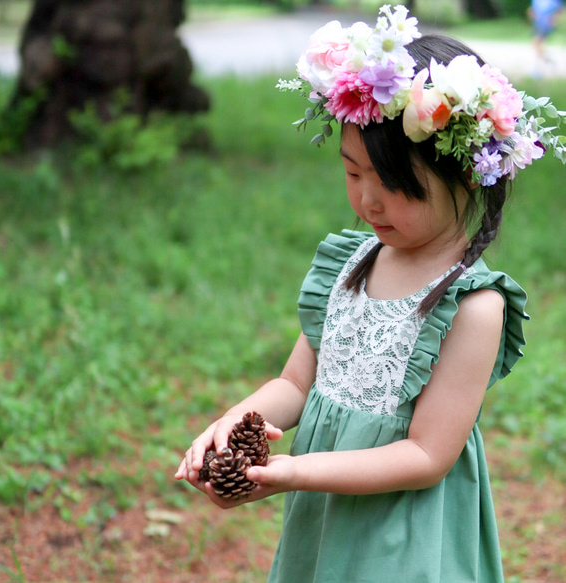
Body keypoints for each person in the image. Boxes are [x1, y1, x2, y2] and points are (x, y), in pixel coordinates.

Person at [176, 5, 566, 581]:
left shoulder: (474, 307)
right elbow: (295, 383)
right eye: (352, 173)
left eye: (391, 184)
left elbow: (426, 457)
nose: (367, 202)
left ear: (463, 175)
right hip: (328, 517)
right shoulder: (351, 262)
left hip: (403, 537)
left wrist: (296, 471)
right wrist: (237, 422)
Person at [528, 0, 564, 76]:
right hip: (538, 23)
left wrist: (554, 20)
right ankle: (547, 60)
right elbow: (532, 10)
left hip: (546, 23)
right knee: (537, 45)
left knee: (537, 43)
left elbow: (559, 10)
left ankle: (538, 69)